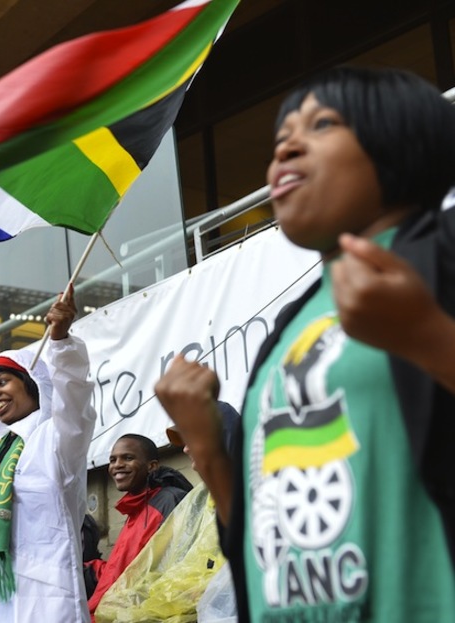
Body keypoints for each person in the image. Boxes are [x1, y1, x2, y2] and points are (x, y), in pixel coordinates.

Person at [154, 66, 455, 622]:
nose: (285, 147)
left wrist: (430, 338)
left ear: (402, 138)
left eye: (321, 124)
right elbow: (257, 536)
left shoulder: (442, 251)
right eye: (279, 138)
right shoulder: (291, 325)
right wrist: (209, 450)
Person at [0, 284, 95, 623]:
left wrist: (60, 342)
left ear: (30, 383)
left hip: (38, 599)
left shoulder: (54, 438)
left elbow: (73, 399)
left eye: (2, 383)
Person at [94, 403, 241, 623]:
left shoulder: (247, 491)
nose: (185, 449)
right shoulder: (199, 498)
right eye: (112, 459)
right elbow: (166, 567)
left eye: (193, 436)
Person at [86, 434, 193, 619]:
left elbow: (172, 570)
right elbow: (124, 568)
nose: (117, 465)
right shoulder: (134, 510)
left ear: (151, 466)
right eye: (112, 460)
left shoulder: (168, 501)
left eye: (128, 458)